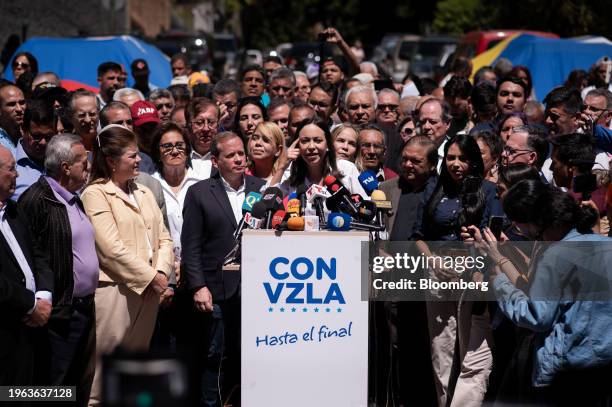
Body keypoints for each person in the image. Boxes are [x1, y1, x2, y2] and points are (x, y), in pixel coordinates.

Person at [475, 184, 612, 405]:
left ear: (539, 224)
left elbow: (537, 316)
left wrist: (498, 283)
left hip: (566, 372)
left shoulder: (556, 255)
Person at [81, 124, 173, 406]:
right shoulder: (95, 194)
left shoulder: (144, 192)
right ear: (111, 160)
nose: (138, 161)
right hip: (115, 293)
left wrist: (161, 273)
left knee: (134, 372)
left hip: (149, 292)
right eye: (132, 156)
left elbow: (165, 238)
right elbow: (110, 249)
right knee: (103, 376)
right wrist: (150, 278)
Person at [413, 133, 500, 407]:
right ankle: (443, 402)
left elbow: (489, 236)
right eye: (451, 158)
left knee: (470, 348)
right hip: (437, 272)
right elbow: (418, 235)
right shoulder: (434, 188)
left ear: (474, 161)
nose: (456, 164)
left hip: (472, 274)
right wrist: (433, 261)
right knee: (441, 349)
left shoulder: (487, 190)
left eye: (463, 158)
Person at [181, 131, 266, 406]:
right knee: (215, 355)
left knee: (251, 354)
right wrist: (198, 286)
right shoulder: (200, 193)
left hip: (256, 290)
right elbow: (190, 245)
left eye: (241, 153)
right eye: (231, 155)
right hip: (216, 290)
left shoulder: (261, 188)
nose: (239, 159)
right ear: (216, 162)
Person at [18, 134, 98, 405]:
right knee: (55, 385)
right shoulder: (36, 200)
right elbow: (28, 257)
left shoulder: (75, 198)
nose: (88, 167)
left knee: (78, 383)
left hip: (85, 309)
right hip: (60, 314)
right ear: (66, 167)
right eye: (83, 162)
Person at [0, 144, 53, 386]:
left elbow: (39, 254)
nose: (17, 175)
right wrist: (30, 304)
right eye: (11, 169)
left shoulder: (14, 210)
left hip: (34, 326)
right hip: (8, 329)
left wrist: (43, 296)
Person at [276, 119, 367, 197]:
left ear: (328, 145)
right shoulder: (292, 173)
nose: (311, 146)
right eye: (305, 141)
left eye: (317, 140)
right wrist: (281, 167)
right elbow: (267, 205)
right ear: (297, 146)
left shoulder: (346, 168)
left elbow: (367, 211)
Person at [15, 99, 57, 199]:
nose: (43, 142)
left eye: (48, 136)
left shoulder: (63, 161)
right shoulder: (9, 165)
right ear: (23, 130)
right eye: (36, 136)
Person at [186, 97, 219, 180]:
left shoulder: (225, 156)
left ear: (218, 125)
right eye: (199, 123)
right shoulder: (181, 156)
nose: (206, 129)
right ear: (189, 126)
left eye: (211, 122)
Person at [417, 98, 452, 172]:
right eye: (422, 122)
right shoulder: (413, 150)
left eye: (432, 122)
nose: (426, 126)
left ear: (447, 123)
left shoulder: (456, 151)